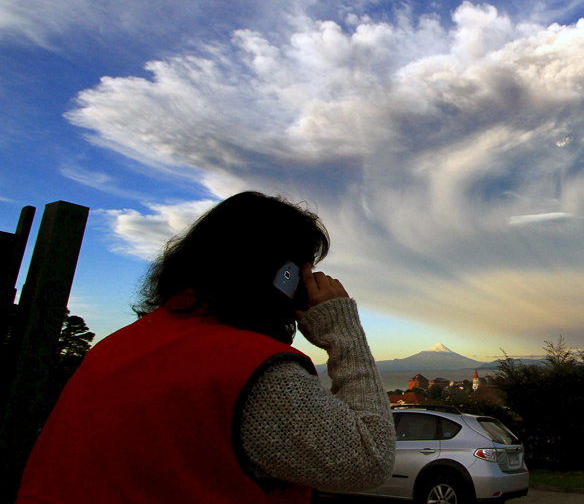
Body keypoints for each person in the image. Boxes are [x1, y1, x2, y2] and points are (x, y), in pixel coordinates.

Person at [16, 192, 395, 503]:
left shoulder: (115, 348)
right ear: (283, 277)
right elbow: (370, 460)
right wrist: (344, 331)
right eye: (302, 271)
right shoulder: (254, 371)